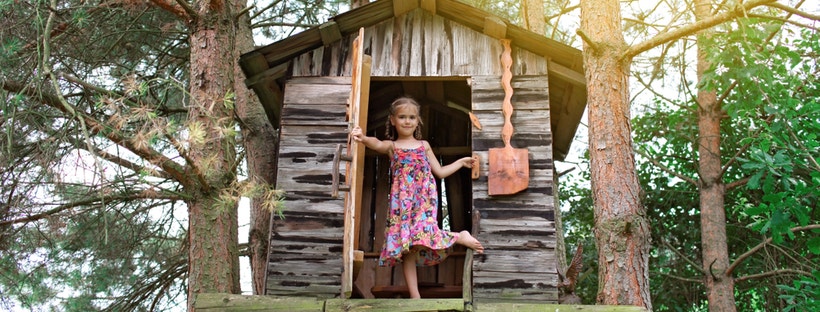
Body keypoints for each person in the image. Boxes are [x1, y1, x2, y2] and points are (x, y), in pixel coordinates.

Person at [350, 97, 484, 299]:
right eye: (402, 117)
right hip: (402, 204)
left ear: (418, 120)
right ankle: (415, 296)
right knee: (408, 248)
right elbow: (376, 144)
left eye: (412, 117)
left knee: (425, 232)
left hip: (424, 199)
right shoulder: (393, 146)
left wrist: (460, 162)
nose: (407, 121)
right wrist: (362, 137)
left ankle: (460, 237)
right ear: (392, 120)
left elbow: (440, 172)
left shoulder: (424, 145)